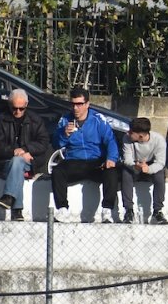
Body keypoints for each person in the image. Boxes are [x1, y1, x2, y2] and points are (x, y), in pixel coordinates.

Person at [50, 89, 120, 223]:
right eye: (73, 104)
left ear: (87, 104)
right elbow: (55, 144)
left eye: (79, 104)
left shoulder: (98, 119)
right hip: (74, 161)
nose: (76, 108)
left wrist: (111, 158)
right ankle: (63, 209)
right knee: (58, 171)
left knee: (111, 172)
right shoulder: (65, 120)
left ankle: (107, 210)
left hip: (96, 162)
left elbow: (110, 140)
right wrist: (64, 134)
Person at [0, 89, 51, 221]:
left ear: (26, 105)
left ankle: (9, 197)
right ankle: (17, 211)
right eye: (14, 108)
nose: (18, 112)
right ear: (9, 105)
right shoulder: (0, 120)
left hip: (31, 159)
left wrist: (26, 150)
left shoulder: (35, 120)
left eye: (21, 108)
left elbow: (43, 143)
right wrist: (13, 152)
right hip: (6, 159)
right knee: (17, 166)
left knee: (17, 163)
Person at [119, 117, 168, 225]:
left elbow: (160, 162)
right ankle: (129, 211)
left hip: (151, 165)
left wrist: (148, 169)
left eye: (131, 132)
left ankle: (157, 211)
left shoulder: (159, 140)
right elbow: (127, 159)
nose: (128, 133)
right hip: (134, 165)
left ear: (140, 136)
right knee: (126, 173)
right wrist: (135, 166)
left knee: (160, 175)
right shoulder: (127, 138)